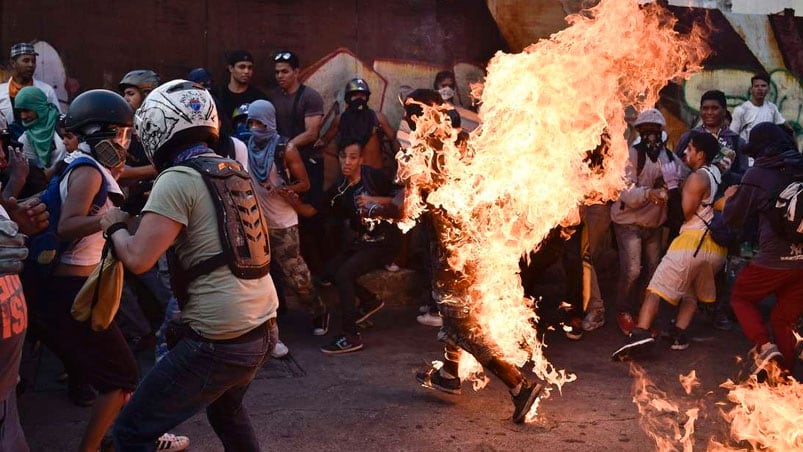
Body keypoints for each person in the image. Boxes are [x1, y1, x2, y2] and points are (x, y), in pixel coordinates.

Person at [106, 80, 277, 451]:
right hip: (263, 326)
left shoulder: (177, 178)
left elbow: (138, 258)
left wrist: (113, 225)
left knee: (131, 431)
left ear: (157, 127)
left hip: (222, 339)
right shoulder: (229, 167)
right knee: (226, 412)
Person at [400, 89, 544, 423]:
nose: (409, 120)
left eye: (413, 113)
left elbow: (405, 207)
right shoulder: (462, 143)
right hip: (470, 248)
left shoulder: (425, 153)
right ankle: (449, 376)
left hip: (454, 256)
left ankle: (519, 385)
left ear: (427, 114)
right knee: (456, 320)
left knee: (464, 327)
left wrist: (374, 205)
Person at [612, 132, 727, 359]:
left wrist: (673, 187)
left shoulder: (698, 178)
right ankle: (678, 334)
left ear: (701, 155)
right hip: (714, 249)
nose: (685, 152)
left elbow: (682, 215)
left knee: (655, 289)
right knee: (691, 292)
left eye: (690, 149)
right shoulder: (716, 173)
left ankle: (641, 333)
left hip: (691, 244)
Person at [721, 122, 803, 378]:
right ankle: (785, 378)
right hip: (801, 263)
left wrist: (732, 195)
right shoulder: (800, 167)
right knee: (782, 319)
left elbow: (733, 217)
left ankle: (765, 347)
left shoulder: (757, 174)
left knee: (740, 298)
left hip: (771, 261)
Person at [246, 99, 329, 342]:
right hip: (256, 222)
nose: (254, 127)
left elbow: (305, 183)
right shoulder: (247, 146)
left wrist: (287, 191)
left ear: (270, 121)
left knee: (296, 274)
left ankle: (319, 311)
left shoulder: (285, 149)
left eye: (259, 122)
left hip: (283, 222)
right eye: (251, 121)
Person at [317, 141, 401, 354]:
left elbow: (402, 200)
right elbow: (324, 212)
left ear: (361, 160)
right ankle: (369, 300)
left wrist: (373, 200)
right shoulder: (340, 188)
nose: (347, 162)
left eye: (353, 157)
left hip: (384, 242)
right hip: (363, 242)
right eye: (343, 156)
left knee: (344, 274)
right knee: (330, 272)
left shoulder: (373, 176)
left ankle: (350, 336)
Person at [610, 108, 681, 336]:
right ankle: (623, 310)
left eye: (655, 130)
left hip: (653, 224)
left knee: (653, 270)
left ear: (662, 132)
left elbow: (685, 176)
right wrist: (649, 194)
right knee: (632, 270)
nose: (651, 135)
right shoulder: (632, 155)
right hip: (628, 223)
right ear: (639, 131)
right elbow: (626, 192)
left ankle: (644, 313)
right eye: (645, 130)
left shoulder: (669, 157)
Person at [268, 50, 327, 275]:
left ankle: (319, 273)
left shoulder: (309, 96)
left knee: (312, 216)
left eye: (285, 71)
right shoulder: (273, 97)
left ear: (296, 71)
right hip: (283, 166)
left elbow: (312, 132)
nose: (280, 76)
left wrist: (288, 147)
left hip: (309, 163)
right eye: (276, 72)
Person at [315, 78, 399, 174]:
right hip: (351, 175)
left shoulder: (378, 118)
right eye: (355, 95)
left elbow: (393, 140)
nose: (359, 99)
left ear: (366, 97)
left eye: (362, 95)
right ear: (348, 98)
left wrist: (403, 160)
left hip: (374, 175)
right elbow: (325, 139)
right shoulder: (340, 119)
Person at [0, 42, 61, 138]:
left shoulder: (46, 91)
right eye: (26, 60)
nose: (31, 65)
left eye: (33, 61)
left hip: (41, 145)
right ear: (13, 63)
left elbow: (57, 120)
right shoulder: (1, 92)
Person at [14, 86, 66, 179]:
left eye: (26, 110)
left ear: (39, 106)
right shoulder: (25, 140)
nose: (23, 116)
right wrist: (59, 167)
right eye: (20, 111)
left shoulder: (65, 124)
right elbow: (39, 178)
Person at [214, 50, 267, 135]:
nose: (246, 71)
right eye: (242, 67)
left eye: (250, 68)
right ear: (231, 68)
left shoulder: (258, 97)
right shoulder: (218, 94)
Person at [730, 73, 786, 144]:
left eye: (763, 86)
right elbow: (733, 134)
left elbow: (783, 125)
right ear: (751, 89)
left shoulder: (772, 108)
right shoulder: (741, 110)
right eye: (756, 86)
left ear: (768, 89)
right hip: (747, 151)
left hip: (767, 151)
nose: (760, 89)